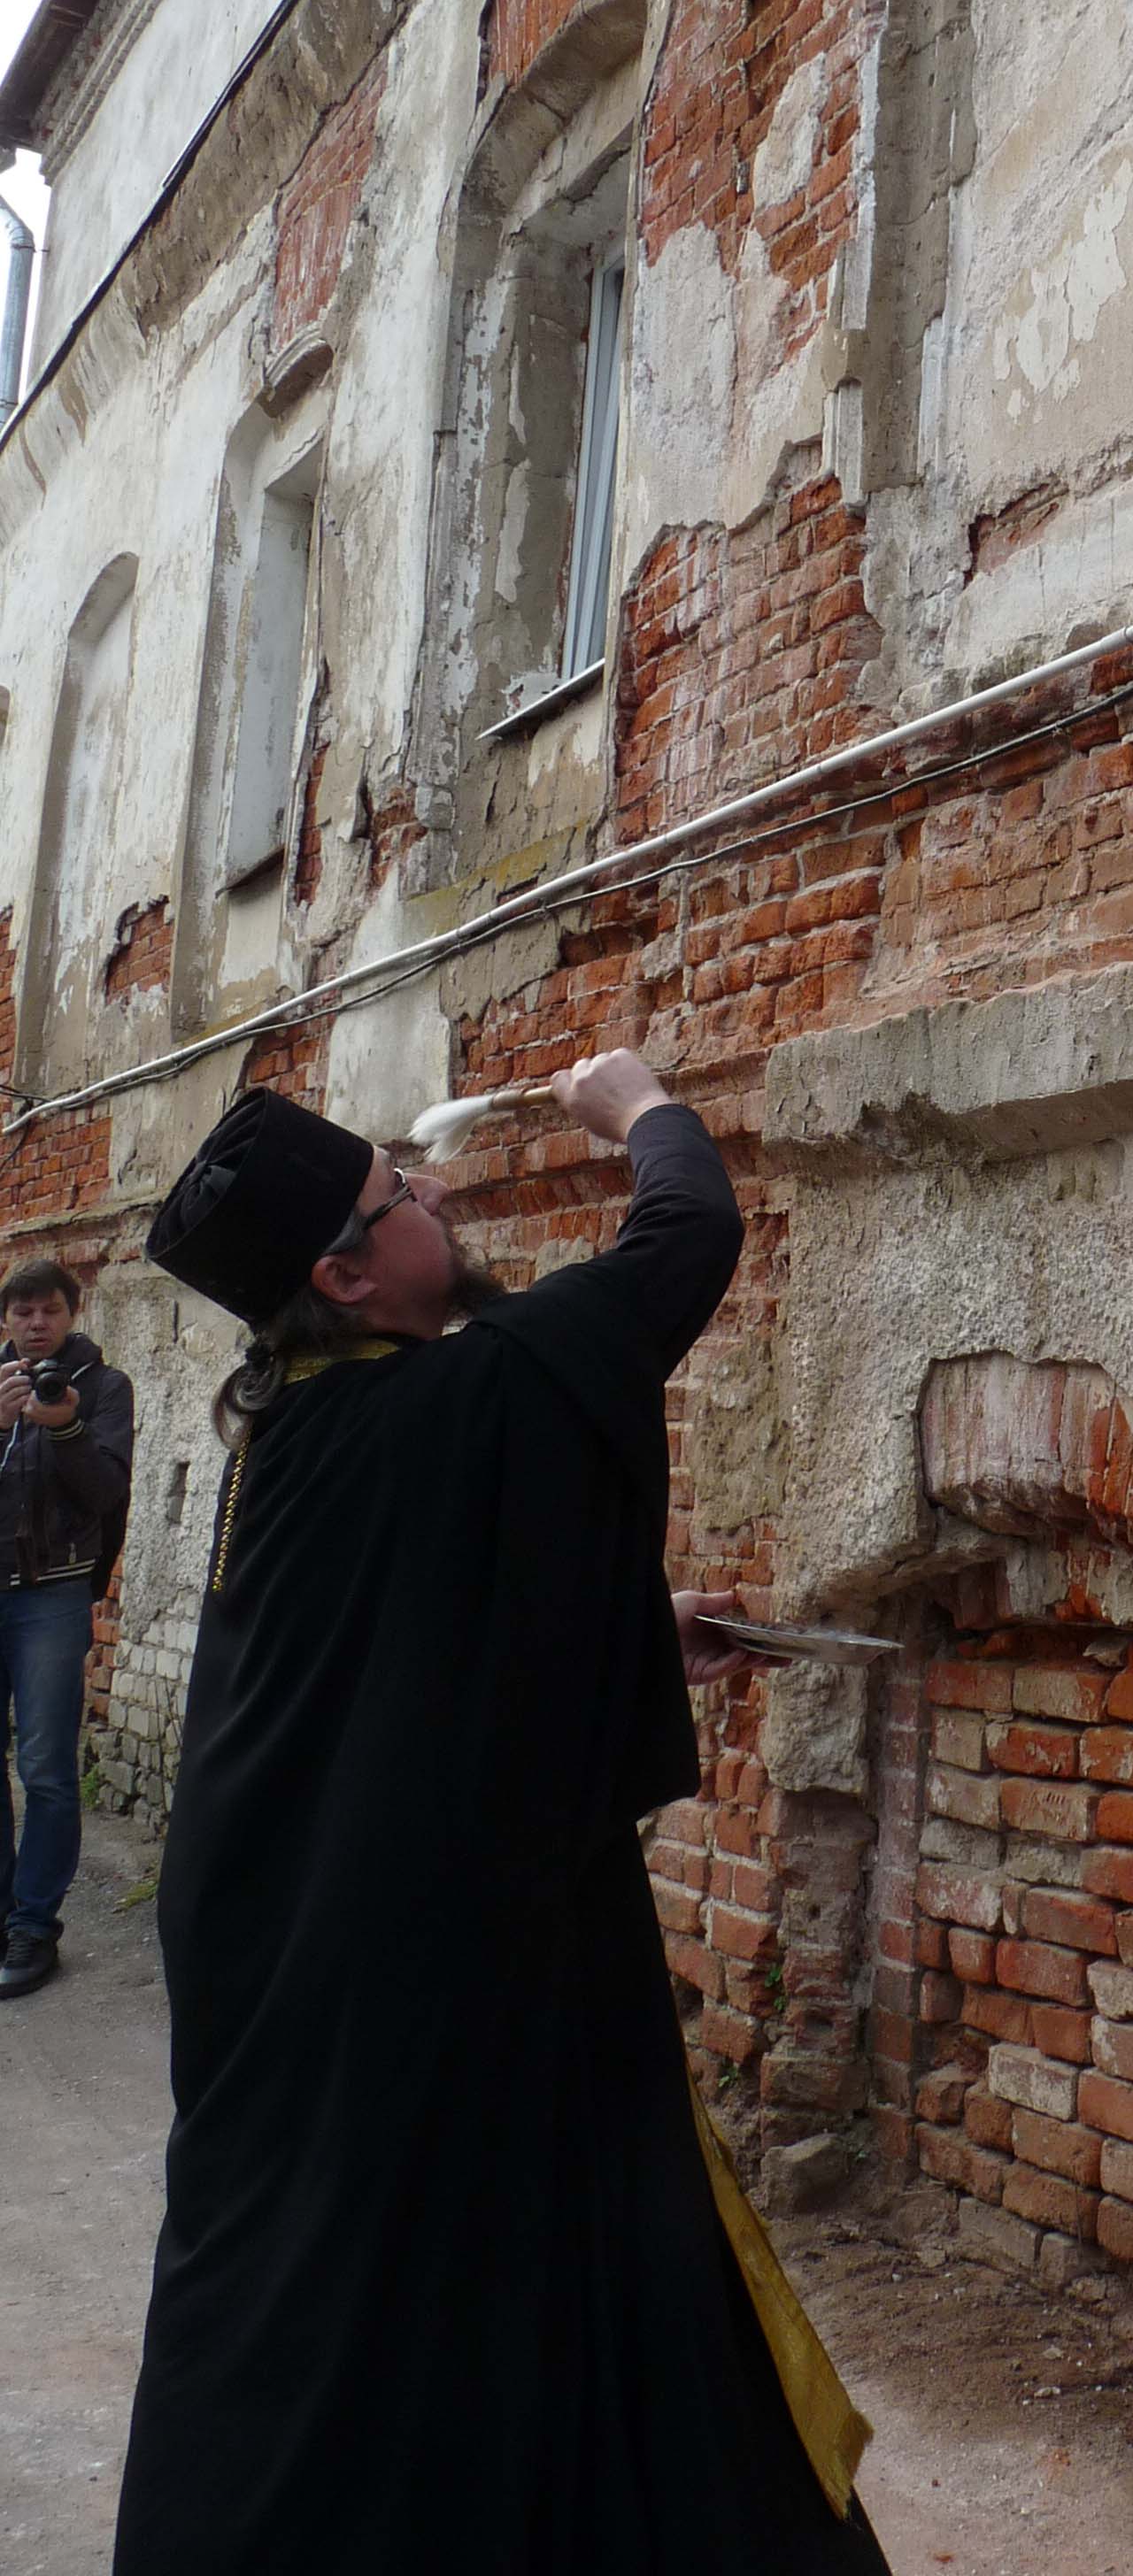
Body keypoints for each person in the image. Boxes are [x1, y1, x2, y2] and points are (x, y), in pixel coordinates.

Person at [118, 1052, 891, 2576]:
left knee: (404, 2308)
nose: (434, 1193)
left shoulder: (305, 1423)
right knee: (400, 2321)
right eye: (397, 1194)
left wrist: (630, 1633)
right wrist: (643, 1110)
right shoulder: (445, 1399)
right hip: (421, 1990)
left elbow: (404, 1671)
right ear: (344, 1269)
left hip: (310, 1962)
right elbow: (682, 1247)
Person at [0, 1253, 135, 1996]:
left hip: (52, 1595)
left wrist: (66, 1429)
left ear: (70, 1313)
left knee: (47, 1768)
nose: (35, 1325)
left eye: (48, 1310)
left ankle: (33, 1928)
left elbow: (108, 1491)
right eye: (22, 1313)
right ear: (6, 1320)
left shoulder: (105, 1388)